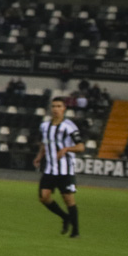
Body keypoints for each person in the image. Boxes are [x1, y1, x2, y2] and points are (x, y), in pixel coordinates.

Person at [33, 97, 83, 238]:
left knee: (68, 200)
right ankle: (65, 217)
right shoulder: (44, 126)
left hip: (65, 170)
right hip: (50, 169)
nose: (55, 109)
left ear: (64, 109)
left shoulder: (69, 126)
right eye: (54, 106)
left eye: (59, 106)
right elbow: (45, 143)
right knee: (44, 197)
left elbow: (81, 146)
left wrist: (66, 149)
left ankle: (75, 231)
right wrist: (39, 155)